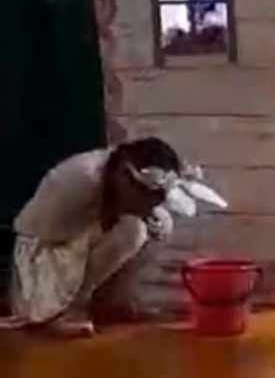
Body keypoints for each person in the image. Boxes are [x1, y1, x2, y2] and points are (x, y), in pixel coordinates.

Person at [4, 138, 225, 337]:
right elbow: (50, 235)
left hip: (83, 234)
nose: (148, 206)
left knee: (156, 224)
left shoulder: (118, 179)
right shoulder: (82, 180)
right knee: (133, 230)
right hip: (46, 247)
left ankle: (110, 300)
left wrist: (145, 215)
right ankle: (67, 309)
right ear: (126, 178)